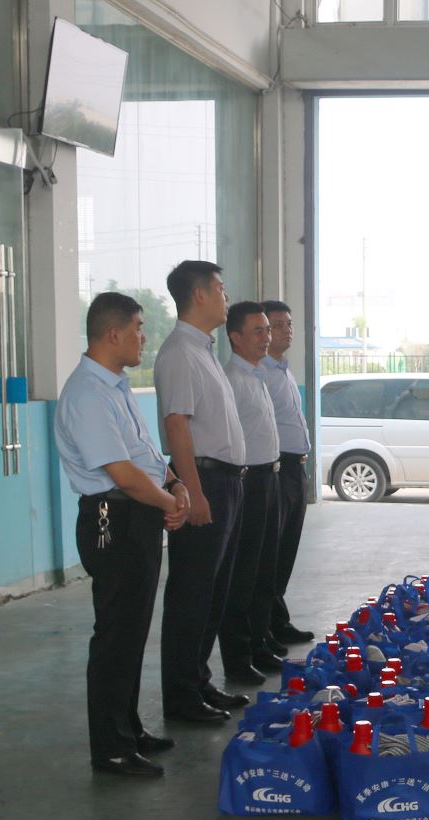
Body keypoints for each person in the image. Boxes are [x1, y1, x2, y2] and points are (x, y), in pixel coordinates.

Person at [55, 293, 191, 777]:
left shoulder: (115, 387)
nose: (143, 337)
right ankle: (110, 748)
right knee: (116, 634)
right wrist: (170, 503)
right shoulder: (87, 394)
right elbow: (122, 473)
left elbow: (144, 455)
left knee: (132, 631)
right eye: (137, 327)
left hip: (138, 514)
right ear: (112, 333)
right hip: (113, 520)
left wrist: (174, 483)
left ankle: (128, 730)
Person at [155, 260, 248, 725]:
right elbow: (177, 426)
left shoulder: (203, 350)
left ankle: (198, 680)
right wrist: (193, 492)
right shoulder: (179, 353)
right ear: (200, 296)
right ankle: (181, 696)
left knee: (214, 591)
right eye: (221, 289)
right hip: (203, 481)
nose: (226, 297)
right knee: (191, 592)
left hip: (225, 481)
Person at [217, 302, 284, 687]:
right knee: (243, 573)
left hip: (269, 478)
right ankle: (238, 657)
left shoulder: (257, 376)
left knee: (264, 569)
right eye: (258, 331)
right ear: (235, 337)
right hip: (247, 481)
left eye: (267, 330)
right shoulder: (232, 379)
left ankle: (260, 642)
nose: (266, 337)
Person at [260, 300, 316, 646]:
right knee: (271, 552)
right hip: (277, 468)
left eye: (289, 324)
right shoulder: (260, 373)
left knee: (286, 551)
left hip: (296, 468)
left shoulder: (282, 369)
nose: (286, 331)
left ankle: (277, 620)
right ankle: (264, 627)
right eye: (278, 325)